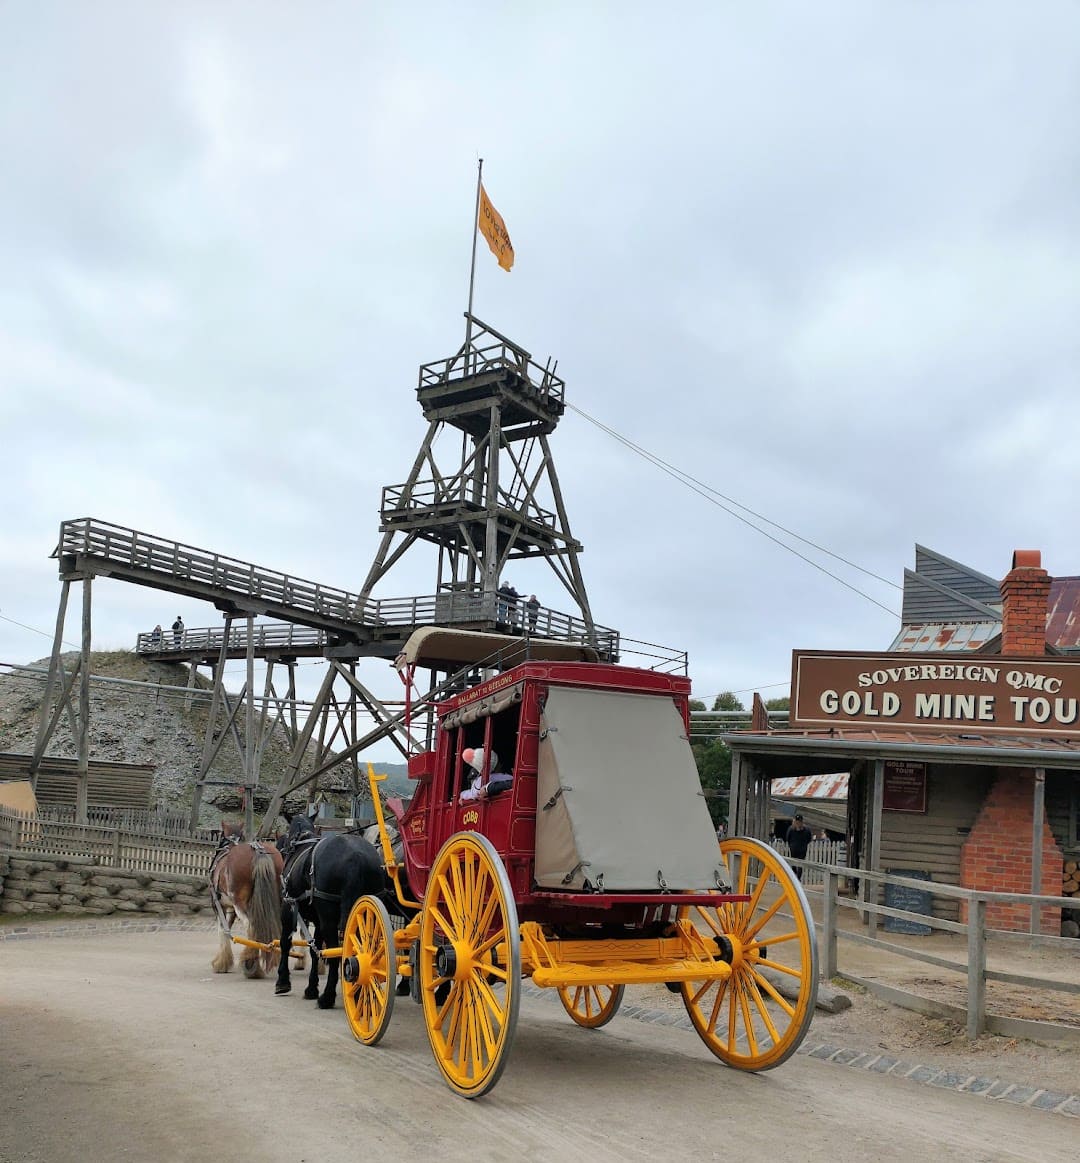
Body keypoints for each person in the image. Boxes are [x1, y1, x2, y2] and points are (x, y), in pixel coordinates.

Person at [785, 813, 811, 881]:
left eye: (799, 822)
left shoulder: (806, 830)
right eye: (797, 822)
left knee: (800, 864)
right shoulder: (791, 829)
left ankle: (798, 879)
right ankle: (794, 876)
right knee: (793, 863)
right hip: (793, 849)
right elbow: (787, 838)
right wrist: (791, 845)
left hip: (802, 849)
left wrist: (804, 844)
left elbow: (809, 839)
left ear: (802, 822)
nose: (798, 823)